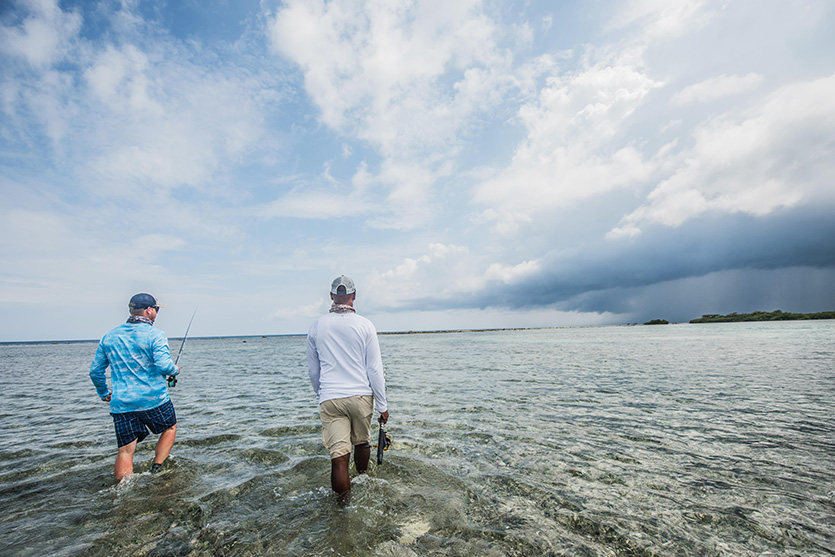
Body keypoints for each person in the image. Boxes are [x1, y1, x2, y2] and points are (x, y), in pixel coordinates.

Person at [306, 275, 389, 503]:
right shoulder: (365, 325)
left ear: (332, 296)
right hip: (361, 396)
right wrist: (382, 405)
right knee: (362, 442)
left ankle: (343, 508)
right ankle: (363, 479)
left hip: (330, 398)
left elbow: (314, 372)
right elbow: (374, 370)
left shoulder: (316, 326)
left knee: (339, 458)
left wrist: (321, 395)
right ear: (353, 296)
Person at [89, 293, 180, 481]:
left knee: (125, 450)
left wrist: (104, 393)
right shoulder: (156, 335)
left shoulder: (110, 336)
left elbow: (95, 372)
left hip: (122, 403)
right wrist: (175, 369)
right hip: (153, 399)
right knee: (170, 427)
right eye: (156, 309)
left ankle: (123, 489)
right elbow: (164, 366)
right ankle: (157, 467)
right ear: (149, 311)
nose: (157, 312)